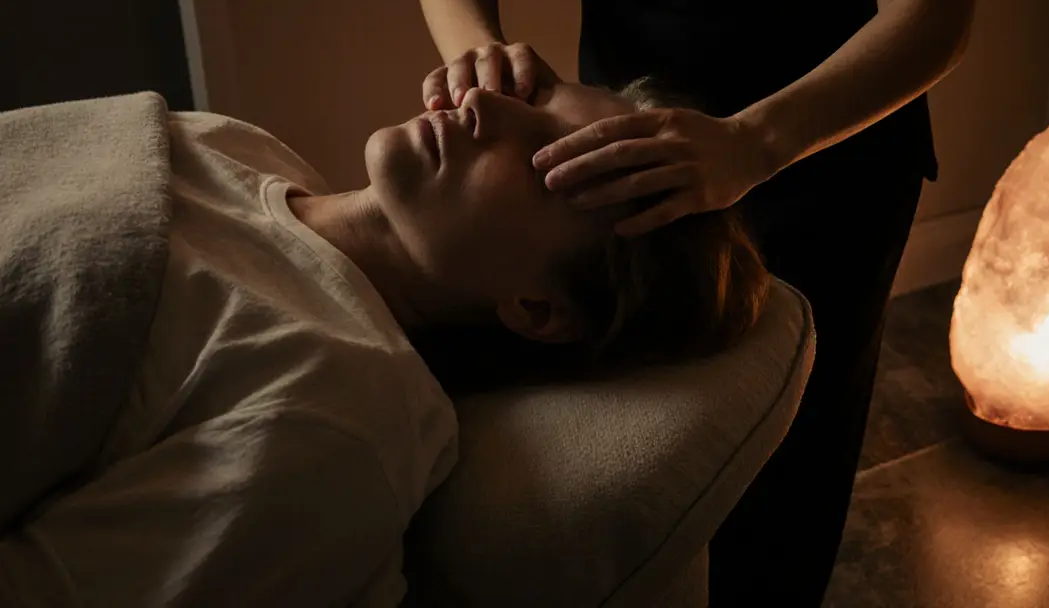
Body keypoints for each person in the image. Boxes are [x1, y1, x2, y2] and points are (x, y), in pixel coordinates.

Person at [0, 81, 769, 606]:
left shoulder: (332, 420)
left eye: (549, 155)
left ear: (538, 308)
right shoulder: (236, 143)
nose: (484, 103)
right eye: (532, 97)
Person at [414, 0, 975, 603]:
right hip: (630, 171)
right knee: (635, 469)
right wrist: (478, 53)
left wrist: (754, 141)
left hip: (823, 152)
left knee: (784, 486)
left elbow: (932, 5)